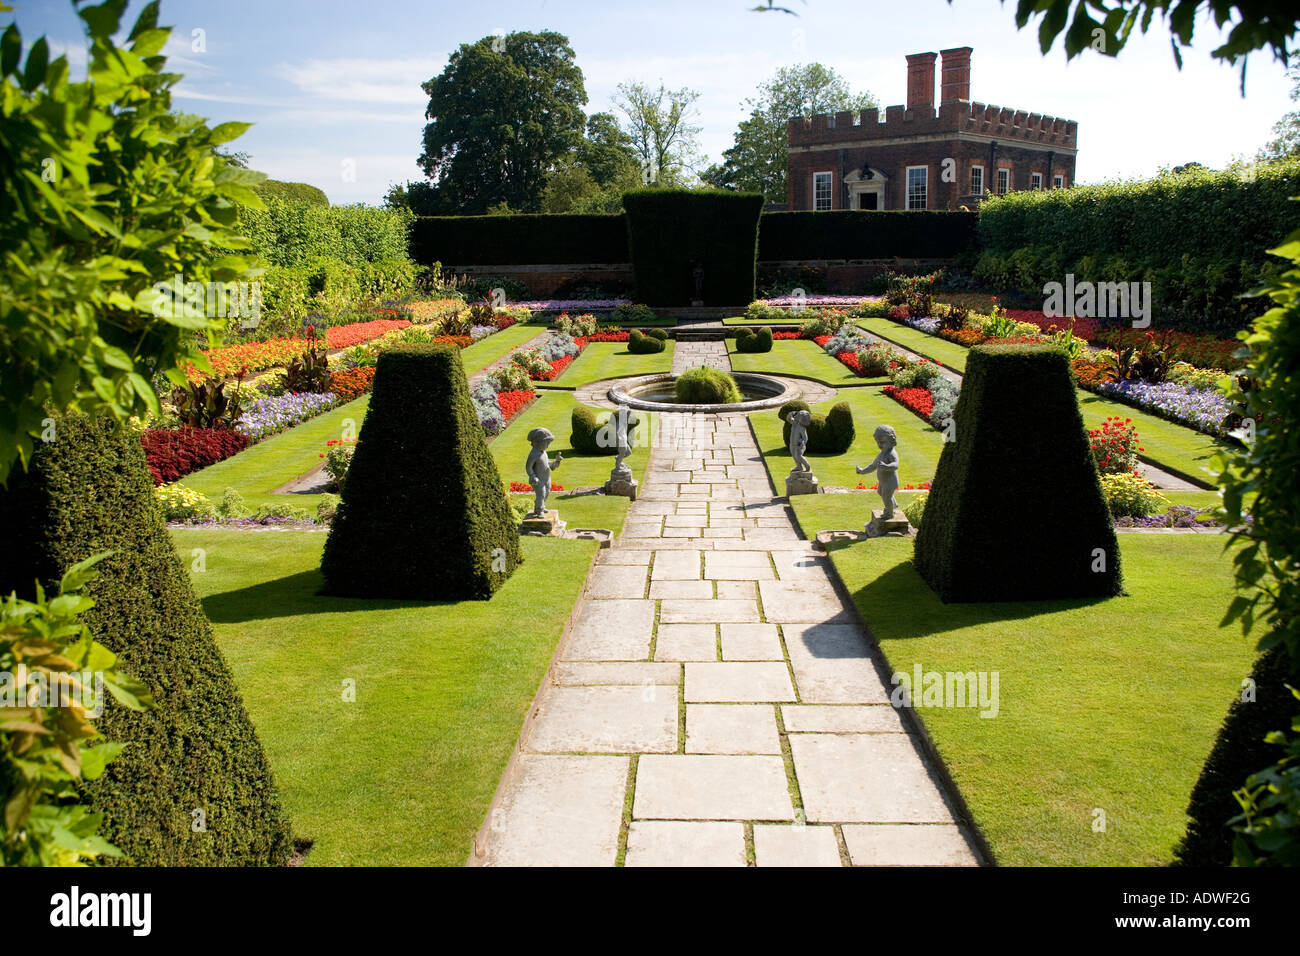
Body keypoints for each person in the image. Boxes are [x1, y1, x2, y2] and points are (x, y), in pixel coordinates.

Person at [857, 425, 900, 518]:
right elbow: (873, 466)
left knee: (886, 496)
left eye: (883, 442)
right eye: (878, 442)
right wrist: (862, 471)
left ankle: (889, 513)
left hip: (890, 480)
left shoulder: (891, 453)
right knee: (880, 492)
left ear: (891, 441)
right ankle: (892, 505)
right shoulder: (882, 454)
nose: (880, 445)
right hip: (883, 481)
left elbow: (896, 465)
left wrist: (886, 466)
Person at [525, 427, 563, 517]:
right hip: (539, 479)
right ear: (537, 443)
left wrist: (556, 462)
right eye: (546, 443)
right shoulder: (534, 454)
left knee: (547, 491)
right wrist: (532, 476)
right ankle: (539, 510)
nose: (547, 446)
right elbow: (528, 467)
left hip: (546, 478)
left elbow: (548, 464)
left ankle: (540, 506)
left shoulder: (543, 452)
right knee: (541, 494)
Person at [787, 408, 812, 473]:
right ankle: (799, 466)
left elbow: (805, 437)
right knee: (794, 456)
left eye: (798, 417)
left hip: (799, 445)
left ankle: (807, 466)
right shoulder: (794, 424)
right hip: (792, 444)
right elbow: (788, 419)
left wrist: (802, 442)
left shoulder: (802, 428)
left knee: (798, 456)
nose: (796, 417)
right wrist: (790, 414)